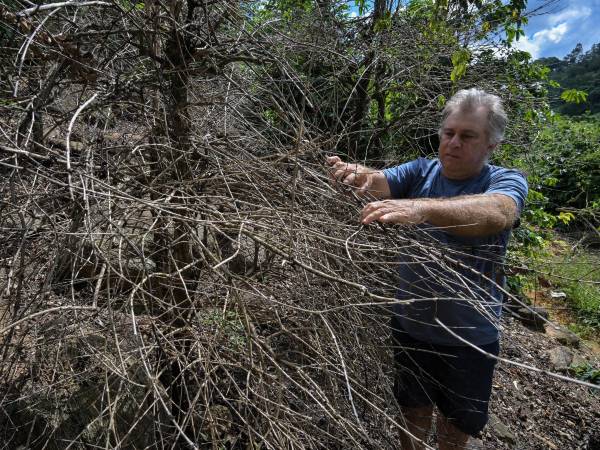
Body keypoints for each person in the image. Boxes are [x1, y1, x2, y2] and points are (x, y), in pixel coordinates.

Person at [327, 88, 528, 449]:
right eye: (448, 133)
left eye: (467, 136)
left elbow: (498, 213)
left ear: (491, 146)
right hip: (411, 328)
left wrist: (422, 209)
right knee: (411, 413)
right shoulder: (422, 170)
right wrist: (356, 175)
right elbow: (379, 181)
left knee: (455, 426)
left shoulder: (505, 181)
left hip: (470, 339)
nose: (453, 143)